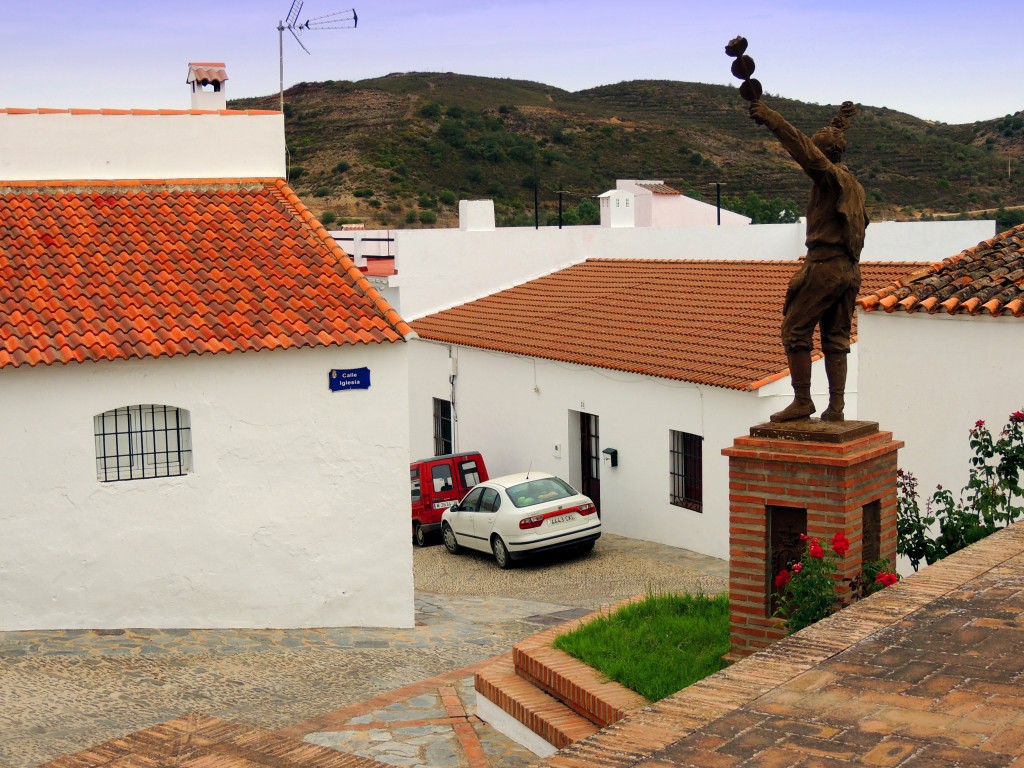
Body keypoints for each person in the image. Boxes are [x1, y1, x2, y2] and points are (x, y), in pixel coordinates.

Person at [749, 100, 869, 423]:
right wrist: (840, 123)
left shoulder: (829, 179)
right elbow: (828, 147)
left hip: (825, 266)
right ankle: (837, 408)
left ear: (825, 157)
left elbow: (803, 149)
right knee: (836, 338)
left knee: (794, 330)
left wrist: (772, 118)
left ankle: (802, 399)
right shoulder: (854, 186)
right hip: (850, 271)